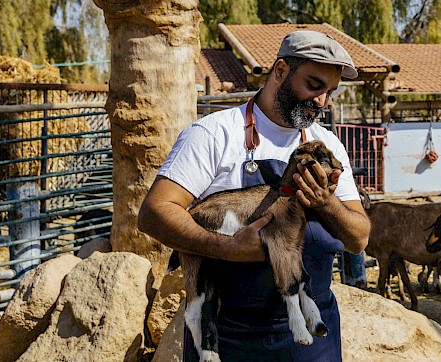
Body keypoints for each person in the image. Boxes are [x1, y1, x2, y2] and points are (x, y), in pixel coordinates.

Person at [138, 30, 371, 361]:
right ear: (279, 71)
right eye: (314, 85)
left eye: (330, 92)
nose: (321, 101)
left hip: (311, 339)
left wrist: (326, 203)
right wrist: (229, 248)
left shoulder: (328, 146)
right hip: (230, 337)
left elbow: (359, 239)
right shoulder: (214, 135)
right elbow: (154, 213)